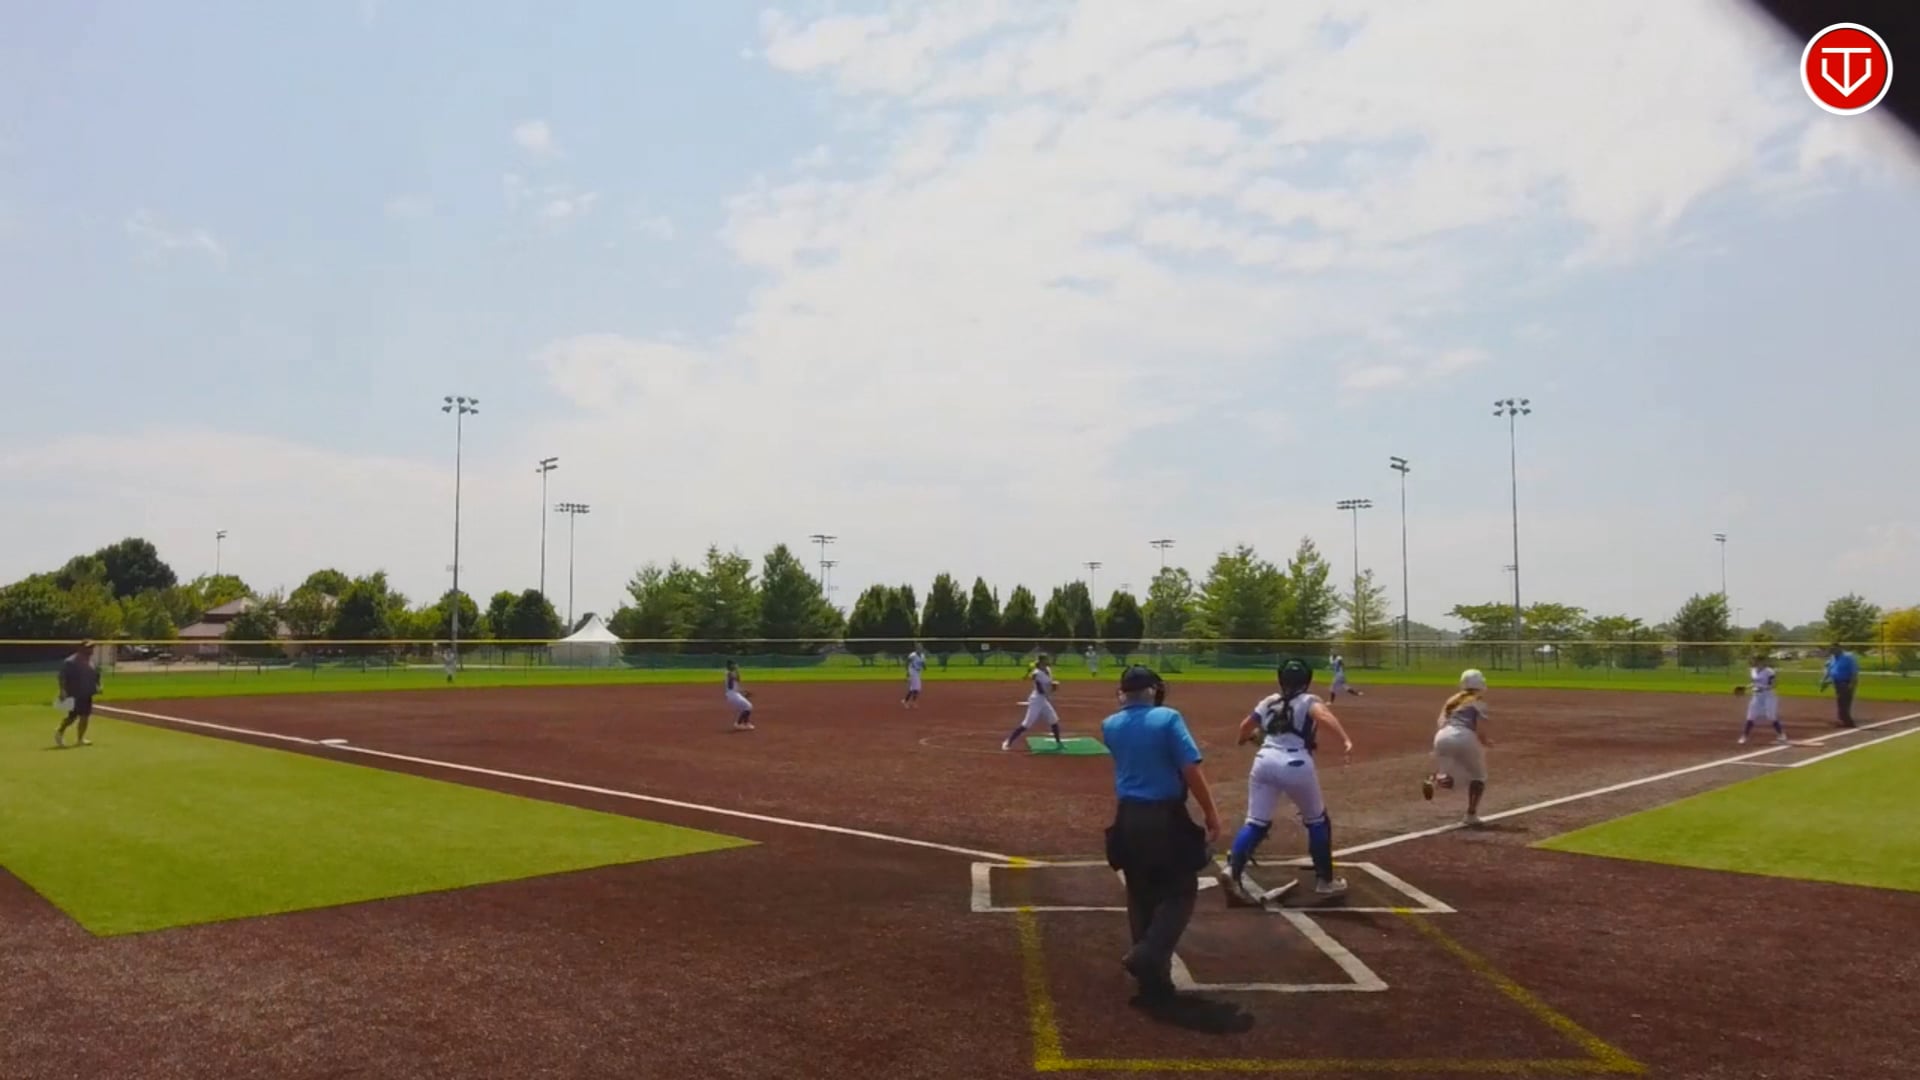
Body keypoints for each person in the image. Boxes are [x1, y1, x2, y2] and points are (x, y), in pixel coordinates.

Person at [1100, 664, 1222, 1006]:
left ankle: (1154, 980)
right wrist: (1211, 812)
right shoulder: (1168, 719)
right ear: (1152, 690)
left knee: (1140, 891)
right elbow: (1190, 769)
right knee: (1181, 888)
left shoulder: (1109, 725)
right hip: (1165, 816)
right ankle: (1148, 954)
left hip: (1127, 817)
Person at [1222, 659, 1353, 905]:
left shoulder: (1269, 701)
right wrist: (1345, 738)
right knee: (1317, 820)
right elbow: (1322, 714)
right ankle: (1325, 882)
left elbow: (1245, 727)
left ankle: (1232, 871)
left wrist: (1243, 739)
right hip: (1296, 765)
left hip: (1264, 761)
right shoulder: (1308, 700)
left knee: (1256, 822)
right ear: (1307, 680)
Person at [1424, 669, 1493, 826]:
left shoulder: (1452, 700)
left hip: (1442, 736)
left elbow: (1440, 722)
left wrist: (1440, 745)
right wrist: (1485, 741)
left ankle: (1435, 779)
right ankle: (1471, 815)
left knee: (1453, 774)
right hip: (1465, 736)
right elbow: (1479, 728)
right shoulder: (1478, 701)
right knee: (1478, 777)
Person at [1002, 653, 1065, 751]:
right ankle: (1008, 741)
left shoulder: (1048, 670)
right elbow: (1040, 690)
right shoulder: (1037, 673)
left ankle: (1058, 742)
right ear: (1042, 661)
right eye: (1046, 659)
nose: (1048, 661)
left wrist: (1052, 684)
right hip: (1036, 700)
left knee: (1053, 719)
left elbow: (1048, 683)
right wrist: (1052, 689)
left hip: (1043, 700)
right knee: (1027, 723)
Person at [55, 642, 101, 748]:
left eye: (92, 647)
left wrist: (98, 685)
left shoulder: (91, 661)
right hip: (74, 693)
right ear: (81, 648)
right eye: (88, 647)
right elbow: (62, 676)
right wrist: (62, 690)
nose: (91, 650)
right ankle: (59, 731)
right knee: (72, 717)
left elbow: (96, 675)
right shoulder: (70, 662)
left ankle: (80, 739)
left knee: (85, 716)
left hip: (87, 693)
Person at [1740, 655, 1787, 746]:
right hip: (1757, 696)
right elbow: (1754, 683)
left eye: (1757, 660)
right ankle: (1744, 736)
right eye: (1754, 660)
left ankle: (1781, 735)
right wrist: (1745, 687)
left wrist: (1763, 688)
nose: (1754, 662)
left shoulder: (1769, 671)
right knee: (1751, 715)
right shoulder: (1753, 670)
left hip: (1769, 696)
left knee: (1771, 716)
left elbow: (1774, 684)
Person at [1820, 645, 1860, 729]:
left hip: (1845, 682)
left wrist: (1852, 684)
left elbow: (1854, 672)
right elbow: (1829, 670)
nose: (1832, 651)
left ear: (1839, 649)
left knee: (1843, 702)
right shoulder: (1833, 659)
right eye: (1831, 650)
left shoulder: (1848, 658)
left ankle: (1848, 722)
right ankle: (1842, 720)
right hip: (1837, 683)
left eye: (1833, 649)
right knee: (1841, 701)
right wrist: (1824, 681)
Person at [724, 660, 755, 731]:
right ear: (729, 666)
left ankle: (746, 723)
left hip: (734, 694)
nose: (735, 665)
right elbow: (733, 683)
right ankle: (738, 723)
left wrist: (743, 692)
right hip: (732, 694)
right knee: (748, 706)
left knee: (744, 708)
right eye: (733, 664)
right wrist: (736, 670)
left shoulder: (731, 673)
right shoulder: (729, 673)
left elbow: (737, 680)